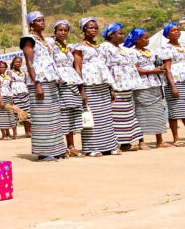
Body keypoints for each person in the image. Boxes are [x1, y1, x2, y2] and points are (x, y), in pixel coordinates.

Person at [20, 11, 66, 160]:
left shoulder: (47, 41)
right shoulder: (29, 39)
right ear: (31, 24)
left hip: (51, 80)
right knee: (42, 117)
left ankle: (56, 148)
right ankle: (44, 151)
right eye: (38, 20)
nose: (42, 22)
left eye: (43, 20)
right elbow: (29, 63)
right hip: (39, 82)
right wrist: (37, 83)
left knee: (53, 116)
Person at [73, 18, 118, 156]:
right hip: (89, 85)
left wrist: (111, 89)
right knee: (92, 116)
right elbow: (77, 68)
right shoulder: (79, 47)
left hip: (103, 85)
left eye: (95, 28)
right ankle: (92, 148)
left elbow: (105, 66)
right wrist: (81, 90)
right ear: (83, 30)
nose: (93, 30)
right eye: (90, 28)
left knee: (105, 116)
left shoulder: (100, 46)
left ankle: (108, 146)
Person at [101, 23, 145, 151]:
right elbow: (104, 67)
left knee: (128, 115)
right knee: (116, 116)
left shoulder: (123, 49)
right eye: (120, 33)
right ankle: (115, 143)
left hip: (127, 86)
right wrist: (110, 87)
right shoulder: (105, 47)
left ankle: (126, 142)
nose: (122, 36)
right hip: (116, 86)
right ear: (111, 35)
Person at [125, 28, 170, 148]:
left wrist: (160, 69)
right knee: (141, 113)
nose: (148, 39)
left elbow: (157, 64)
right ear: (137, 39)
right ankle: (141, 142)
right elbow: (135, 69)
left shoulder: (151, 51)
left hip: (155, 84)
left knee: (158, 112)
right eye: (145, 38)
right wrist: (152, 71)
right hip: (141, 85)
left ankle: (160, 140)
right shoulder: (131, 52)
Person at [52, 20, 85, 157]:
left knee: (71, 113)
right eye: (60, 30)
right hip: (60, 82)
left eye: (65, 30)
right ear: (55, 31)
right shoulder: (51, 46)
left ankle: (71, 146)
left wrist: (81, 88)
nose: (63, 32)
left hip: (72, 82)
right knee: (63, 114)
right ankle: (61, 147)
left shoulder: (69, 47)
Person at [0, 60, 16, 140]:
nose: (3, 68)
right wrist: (1, 101)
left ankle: (10, 133)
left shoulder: (8, 77)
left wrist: (12, 98)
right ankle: (4, 134)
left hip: (8, 96)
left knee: (10, 115)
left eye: (4, 67)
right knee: (2, 116)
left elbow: (10, 87)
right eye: (1, 67)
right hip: (0, 97)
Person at [9, 55, 32, 137]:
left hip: (24, 94)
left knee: (26, 113)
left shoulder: (24, 73)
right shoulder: (10, 72)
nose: (18, 63)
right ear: (13, 63)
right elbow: (9, 84)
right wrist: (11, 95)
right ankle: (15, 133)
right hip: (15, 94)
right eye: (16, 62)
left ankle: (27, 131)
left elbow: (25, 83)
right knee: (16, 113)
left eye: (19, 62)